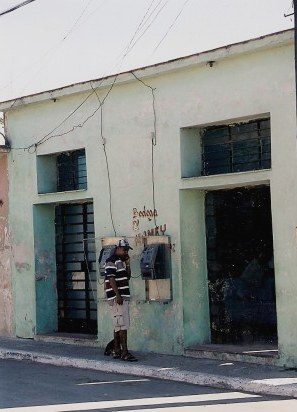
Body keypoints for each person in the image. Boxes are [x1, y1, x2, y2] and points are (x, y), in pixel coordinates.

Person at [104, 238, 137, 362]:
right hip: (118, 298)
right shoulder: (111, 261)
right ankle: (125, 352)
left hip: (121, 297)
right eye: (125, 250)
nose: (126, 252)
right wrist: (118, 295)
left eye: (127, 250)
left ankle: (117, 350)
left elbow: (127, 277)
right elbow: (111, 279)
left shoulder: (120, 262)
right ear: (117, 248)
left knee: (118, 325)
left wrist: (127, 264)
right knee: (122, 325)